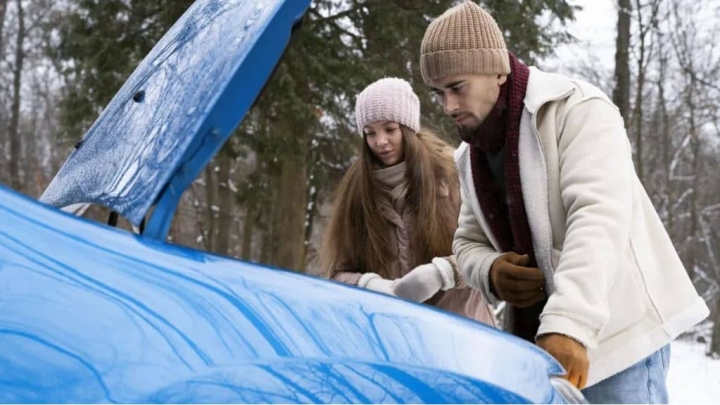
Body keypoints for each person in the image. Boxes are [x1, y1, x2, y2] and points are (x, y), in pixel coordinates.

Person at [419, 2, 709, 403]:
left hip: (614, 342)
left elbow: (597, 218)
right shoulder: (470, 156)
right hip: (537, 351)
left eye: (457, 87)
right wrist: (492, 271)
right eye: (439, 93)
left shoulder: (578, 111)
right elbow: (466, 243)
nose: (449, 107)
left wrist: (568, 323)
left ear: (498, 70)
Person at [320, 77, 496, 327]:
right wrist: (370, 284)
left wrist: (444, 273)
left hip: (465, 332)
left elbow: (492, 250)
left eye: (389, 129)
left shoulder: (454, 173)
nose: (380, 141)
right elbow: (337, 273)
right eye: (370, 133)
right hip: (396, 338)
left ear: (408, 127)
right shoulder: (357, 189)